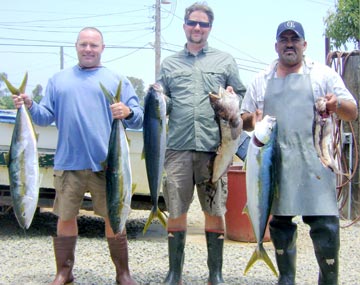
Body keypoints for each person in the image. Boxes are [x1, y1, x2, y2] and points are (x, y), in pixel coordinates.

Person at [12, 27, 143, 285]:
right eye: (84, 44)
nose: (88, 49)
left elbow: (138, 118)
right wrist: (28, 105)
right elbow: (43, 116)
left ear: (102, 48)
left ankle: (123, 273)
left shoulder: (117, 79)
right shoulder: (58, 80)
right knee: (65, 216)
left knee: (113, 216)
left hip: (108, 165)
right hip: (69, 162)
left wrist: (127, 111)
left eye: (94, 45)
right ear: (76, 46)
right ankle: (64, 272)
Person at [241, 20, 358, 285]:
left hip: (316, 165)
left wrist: (336, 103)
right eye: (284, 39)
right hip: (274, 167)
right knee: (280, 228)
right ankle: (286, 279)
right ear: (276, 45)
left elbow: (352, 110)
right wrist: (252, 120)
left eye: (295, 39)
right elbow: (243, 119)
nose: (289, 44)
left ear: (305, 45)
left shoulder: (323, 75)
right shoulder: (261, 80)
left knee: (326, 228)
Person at [157, 3, 246, 285]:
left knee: (215, 210)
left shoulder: (225, 61)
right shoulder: (169, 64)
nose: (197, 28)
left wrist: (233, 95)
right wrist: (157, 96)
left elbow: (239, 97)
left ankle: (215, 275)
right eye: (193, 23)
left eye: (203, 24)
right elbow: (164, 104)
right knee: (176, 209)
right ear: (184, 25)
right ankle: (175, 274)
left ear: (210, 28)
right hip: (178, 148)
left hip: (214, 149)